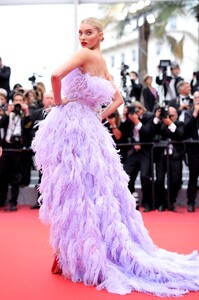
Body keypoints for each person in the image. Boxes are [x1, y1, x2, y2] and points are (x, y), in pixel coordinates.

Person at [32, 17, 199, 297]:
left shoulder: (84, 55)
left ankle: (70, 253)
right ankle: (73, 252)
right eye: (80, 33)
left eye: (88, 33)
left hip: (72, 125)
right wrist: (97, 115)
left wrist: (59, 103)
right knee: (92, 189)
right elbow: (118, 100)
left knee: (74, 189)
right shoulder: (102, 63)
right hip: (89, 127)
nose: (83, 38)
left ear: (100, 36)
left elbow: (54, 76)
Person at [184, 90, 199, 212]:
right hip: (194, 151)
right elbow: (186, 129)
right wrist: (195, 114)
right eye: (195, 97)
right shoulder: (189, 113)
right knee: (193, 177)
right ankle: (191, 202)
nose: (197, 99)